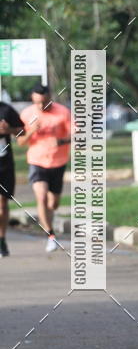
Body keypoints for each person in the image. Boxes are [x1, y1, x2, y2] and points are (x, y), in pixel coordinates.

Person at [17, 84, 71, 253]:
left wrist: (61, 141)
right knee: (41, 197)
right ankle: (51, 236)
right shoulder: (27, 114)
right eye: (37, 103)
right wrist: (31, 131)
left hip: (58, 161)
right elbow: (20, 142)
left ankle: (50, 223)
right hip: (37, 161)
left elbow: (76, 134)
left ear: (50, 98)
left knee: (53, 203)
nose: (41, 106)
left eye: (44, 102)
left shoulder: (63, 112)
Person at [0, 97, 25, 257]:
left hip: (4, 165)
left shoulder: (6, 110)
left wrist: (9, 130)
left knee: (2, 206)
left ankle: (1, 240)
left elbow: (23, 131)